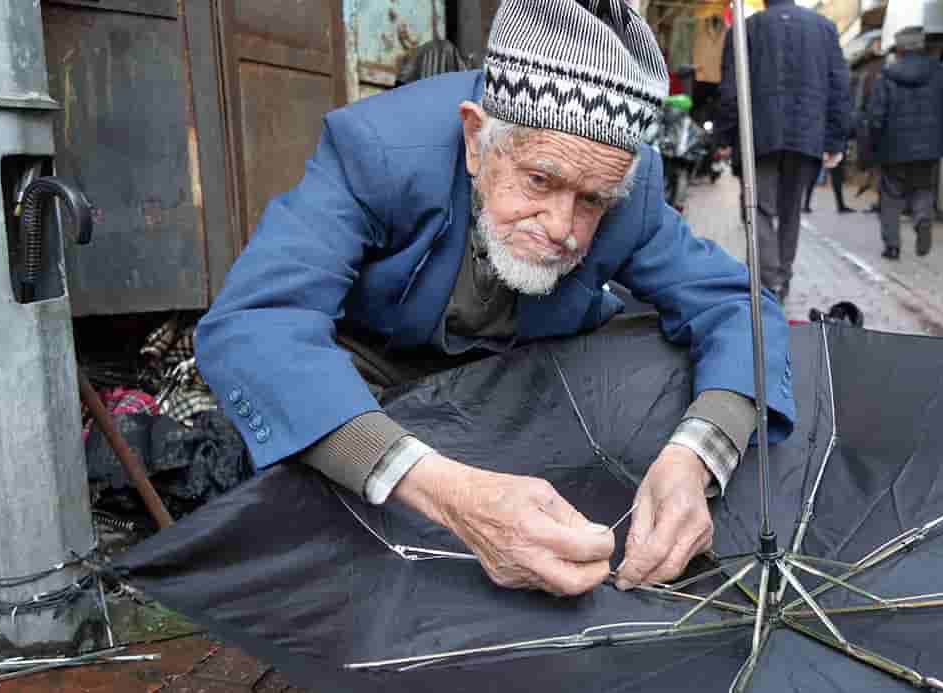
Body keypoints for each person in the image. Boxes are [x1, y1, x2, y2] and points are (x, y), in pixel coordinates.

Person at [195, 0, 796, 599]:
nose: (562, 227)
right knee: (344, 547)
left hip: (515, 389)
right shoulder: (378, 151)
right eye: (540, 180)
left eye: (591, 201)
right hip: (376, 387)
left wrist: (694, 460)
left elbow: (738, 306)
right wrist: (443, 490)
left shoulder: (626, 195)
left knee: (669, 364)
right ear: (476, 137)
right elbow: (256, 324)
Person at [718, 0, 851, 303]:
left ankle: (768, 282)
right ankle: (782, 278)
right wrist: (835, 139)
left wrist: (726, 135)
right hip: (806, 137)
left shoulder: (746, 28)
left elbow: (731, 87)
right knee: (791, 212)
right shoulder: (825, 29)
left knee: (759, 209)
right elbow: (839, 86)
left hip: (758, 136)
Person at [865, 26, 943, 259]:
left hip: (893, 148)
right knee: (923, 188)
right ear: (922, 46)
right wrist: (939, 139)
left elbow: (875, 117)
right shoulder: (942, 74)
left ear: (898, 48)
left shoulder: (887, 76)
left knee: (890, 195)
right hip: (929, 147)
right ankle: (923, 219)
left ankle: (893, 246)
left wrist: (876, 146)